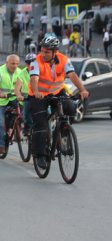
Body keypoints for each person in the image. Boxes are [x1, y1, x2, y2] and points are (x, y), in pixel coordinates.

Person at [27, 35, 89, 170]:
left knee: (70, 107)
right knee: (41, 124)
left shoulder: (63, 60)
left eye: (47, 52)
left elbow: (72, 76)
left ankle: (64, 133)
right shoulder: (36, 61)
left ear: (55, 52)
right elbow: (34, 78)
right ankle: (40, 155)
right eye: (42, 51)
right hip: (38, 96)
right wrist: (37, 91)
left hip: (57, 92)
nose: (43, 54)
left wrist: (82, 90)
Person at [0, 55, 25, 158]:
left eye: (17, 63)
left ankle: (15, 126)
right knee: (0, 123)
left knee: (23, 113)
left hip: (13, 98)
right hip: (0, 100)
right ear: (7, 63)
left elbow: (24, 85)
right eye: (12, 63)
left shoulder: (20, 72)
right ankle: (0, 145)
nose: (15, 66)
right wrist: (0, 93)